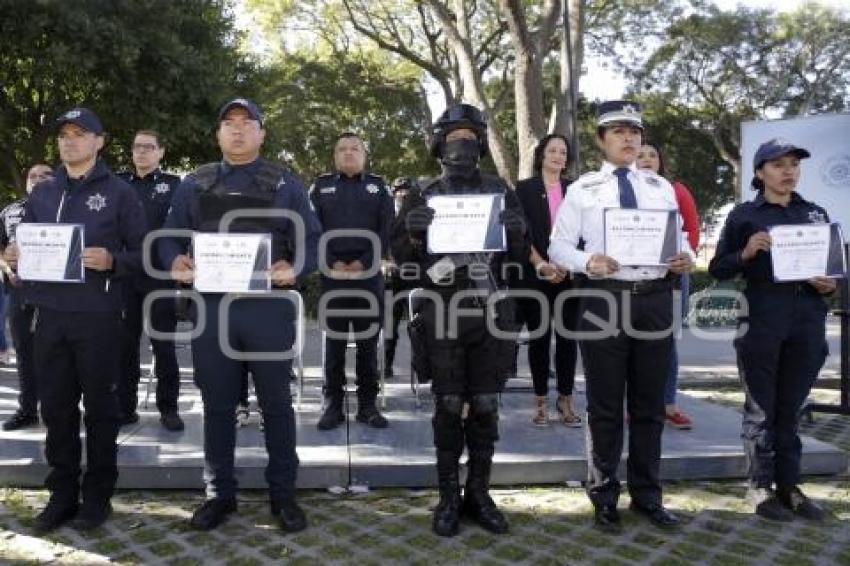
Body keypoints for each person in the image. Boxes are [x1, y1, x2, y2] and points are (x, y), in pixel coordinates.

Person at [160, 98, 319, 532]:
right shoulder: (195, 183)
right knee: (216, 406)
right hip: (211, 309)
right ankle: (219, 495)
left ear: (261, 133)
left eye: (247, 123)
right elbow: (168, 238)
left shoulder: (286, 183)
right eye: (228, 123)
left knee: (276, 405)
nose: (237, 130)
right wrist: (175, 261)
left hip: (266, 309)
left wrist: (296, 267)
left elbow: (313, 240)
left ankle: (283, 495)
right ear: (217, 135)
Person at [548, 100, 693, 533]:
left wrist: (683, 256)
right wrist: (588, 261)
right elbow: (558, 247)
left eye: (635, 131)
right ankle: (604, 495)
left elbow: (679, 238)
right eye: (618, 131)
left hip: (653, 299)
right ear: (601, 139)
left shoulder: (660, 187)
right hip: (604, 300)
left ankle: (648, 496)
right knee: (606, 405)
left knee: (650, 406)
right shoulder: (584, 189)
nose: (629, 138)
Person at [392, 103, 529, 537]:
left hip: (491, 309)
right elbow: (402, 260)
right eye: (453, 136)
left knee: (486, 405)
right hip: (443, 310)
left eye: (470, 136)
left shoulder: (499, 189)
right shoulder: (423, 191)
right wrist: (412, 233)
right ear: (438, 142)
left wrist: (518, 231)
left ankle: (480, 493)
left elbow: (519, 257)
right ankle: (449, 496)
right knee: (449, 405)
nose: (462, 144)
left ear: (482, 143)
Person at [11, 108, 147, 533]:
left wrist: (112, 261)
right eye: (64, 135)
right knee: (55, 408)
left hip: (99, 317)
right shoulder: (43, 193)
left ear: (99, 141)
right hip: (49, 316)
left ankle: (97, 496)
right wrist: (11, 254)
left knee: (101, 409)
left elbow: (146, 255)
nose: (70, 141)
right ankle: (62, 493)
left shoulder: (121, 193)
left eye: (79, 134)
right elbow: (26, 245)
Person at [709, 138, 833, 522]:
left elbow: (834, 272)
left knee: (790, 408)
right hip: (762, 315)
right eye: (778, 165)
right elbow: (718, 268)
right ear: (760, 173)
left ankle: (789, 485)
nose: (788, 171)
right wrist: (745, 254)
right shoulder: (744, 215)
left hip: (807, 320)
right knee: (761, 407)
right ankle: (760, 485)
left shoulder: (815, 214)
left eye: (794, 164)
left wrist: (831, 284)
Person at [310, 133, 394, 430]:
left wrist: (363, 262)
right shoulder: (320, 187)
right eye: (342, 149)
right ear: (334, 156)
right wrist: (332, 262)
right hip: (331, 277)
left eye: (354, 148)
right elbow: (313, 230)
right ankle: (331, 405)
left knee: (368, 346)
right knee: (332, 346)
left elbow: (386, 230)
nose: (348, 153)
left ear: (364, 154)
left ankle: (367, 406)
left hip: (368, 278)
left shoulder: (379, 187)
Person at [117, 130, 183, 431]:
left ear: (161, 152)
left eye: (149, 147)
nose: (142, 152)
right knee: (124, 346)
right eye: (137, 147)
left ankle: (168, 408)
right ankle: (124, 407)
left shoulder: (174, 185)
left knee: (164, 346)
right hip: (124, 277)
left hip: (159, 277)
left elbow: (182, 227)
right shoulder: (118, 185)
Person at [514, 134, 581, 427]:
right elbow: (518, 234)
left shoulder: (576, 190)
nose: (558, 156)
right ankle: (540, 400)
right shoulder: (523, 189)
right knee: (539, 339)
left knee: (568, 339)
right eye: (552, 150)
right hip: (535, 275)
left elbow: (584, 233)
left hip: (570, 277)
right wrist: (541, 264)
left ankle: (566, 399)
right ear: (541, 155)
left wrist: (567, 264)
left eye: (563, 152)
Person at [637, 141, 700, 430]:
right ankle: (636, 404)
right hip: (632, 278)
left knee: (667, 340)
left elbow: (692, 231)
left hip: (672, 277)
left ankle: (668, 404)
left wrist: (685, 259)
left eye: (653, 155)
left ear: (661, 162)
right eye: (641, 155)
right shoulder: (620, 192)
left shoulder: (676, 190)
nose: (647, 159)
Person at [1, 164, 53, 431]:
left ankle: (59, 409)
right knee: (24, 352)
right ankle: (28, 409)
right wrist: (6, 263)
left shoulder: (64, 209)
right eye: (33, 176)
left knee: (59, 353)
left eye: (45, 174)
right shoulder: (9, 212)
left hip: (57, 294)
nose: (39, 179)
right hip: (20, 290)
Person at [383, 177, 418, 379]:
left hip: (415, 277)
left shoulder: (419, 216)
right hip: (391, 277)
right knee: (389, 325)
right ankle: (386, 365)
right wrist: (383, 262)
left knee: (420, 325)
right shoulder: (386, 216)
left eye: (406, 192)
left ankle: (421, 367)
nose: (402, 195)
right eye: (398, 191)